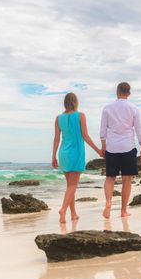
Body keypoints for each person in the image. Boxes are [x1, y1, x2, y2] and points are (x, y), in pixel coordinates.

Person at [52, 93, 102, 223]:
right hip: (76, 153)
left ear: (65, 103)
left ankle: (73, 214)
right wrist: (98, 150)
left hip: (63, 153)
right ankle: (63, 209)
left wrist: (53, 156)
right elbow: (85, 136)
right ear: (76, 102)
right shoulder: (80, 116)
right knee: (73, 185)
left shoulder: (58, 118)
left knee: (70, 186)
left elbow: (56, 139)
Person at [100, 82, 141, 219]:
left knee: (110, 178)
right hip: (128, 147)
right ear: (129, 93)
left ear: (117, 92)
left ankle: (108, 202)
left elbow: (103, 130)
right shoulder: (133, 108)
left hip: (112, 148)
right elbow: (139, 130)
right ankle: (123, 211)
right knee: (127, 179)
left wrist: (103, 146)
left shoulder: (107, 108)